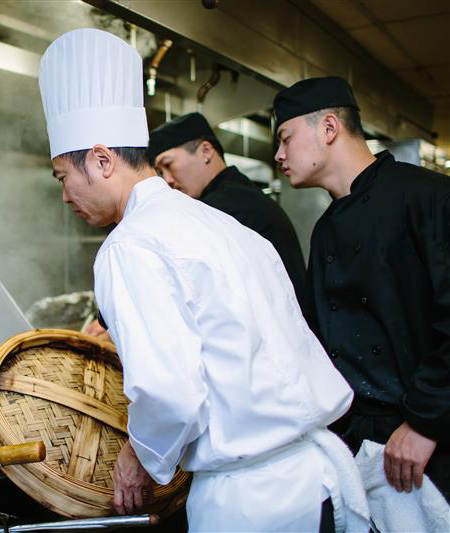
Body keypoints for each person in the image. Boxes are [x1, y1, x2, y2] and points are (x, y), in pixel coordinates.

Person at [39, 29, 364, 531]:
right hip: (312, 482)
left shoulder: (130, 246)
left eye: (63, 176)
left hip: (250, 502)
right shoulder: (217, 223)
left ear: (102, 161)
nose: (65, 195)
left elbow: (171, 395)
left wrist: (138, 458)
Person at [273, 76, 450, 502]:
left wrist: (425, 422)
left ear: (329, 128)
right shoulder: (326, 227)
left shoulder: (428, 197)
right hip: (358, 442)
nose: (279, 154)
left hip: (427, 442)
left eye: (285, 138)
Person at [146, 112, 310, 317]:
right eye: (161, 172)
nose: (167, 180)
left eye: (168, 165)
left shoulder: (225, 205)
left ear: (206, 151)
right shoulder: (235, 192)